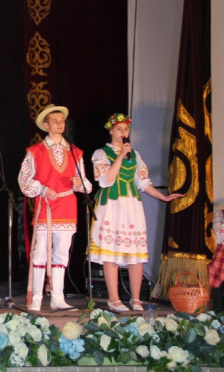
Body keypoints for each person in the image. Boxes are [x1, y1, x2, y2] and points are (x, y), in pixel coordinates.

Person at [89, 113, 182, 312]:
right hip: (112, 206)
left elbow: (143, 183)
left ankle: (136, 298)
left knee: (136, 254)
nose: (123, 133)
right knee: (111, 253)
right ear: (111, 131)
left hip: (131, 206)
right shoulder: (101, 153)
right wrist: (120, 156)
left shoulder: (135, 155)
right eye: (119, 129)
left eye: (126, 129)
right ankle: (114, 298)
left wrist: (163, 197)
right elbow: (106, 180)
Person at [18, 104, 91, 311]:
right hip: (46, 207)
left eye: (62, 121)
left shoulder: (75, 152)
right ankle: (37, 297)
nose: (60, 124)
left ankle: (58, 297)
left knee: (61, 253)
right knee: (40, 251)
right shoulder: (35, 152)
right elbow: (23, 180)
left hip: (67, 207)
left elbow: (86, 184)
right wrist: (42, 189)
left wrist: (80, 184)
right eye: (55, 121)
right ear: (46, 125)